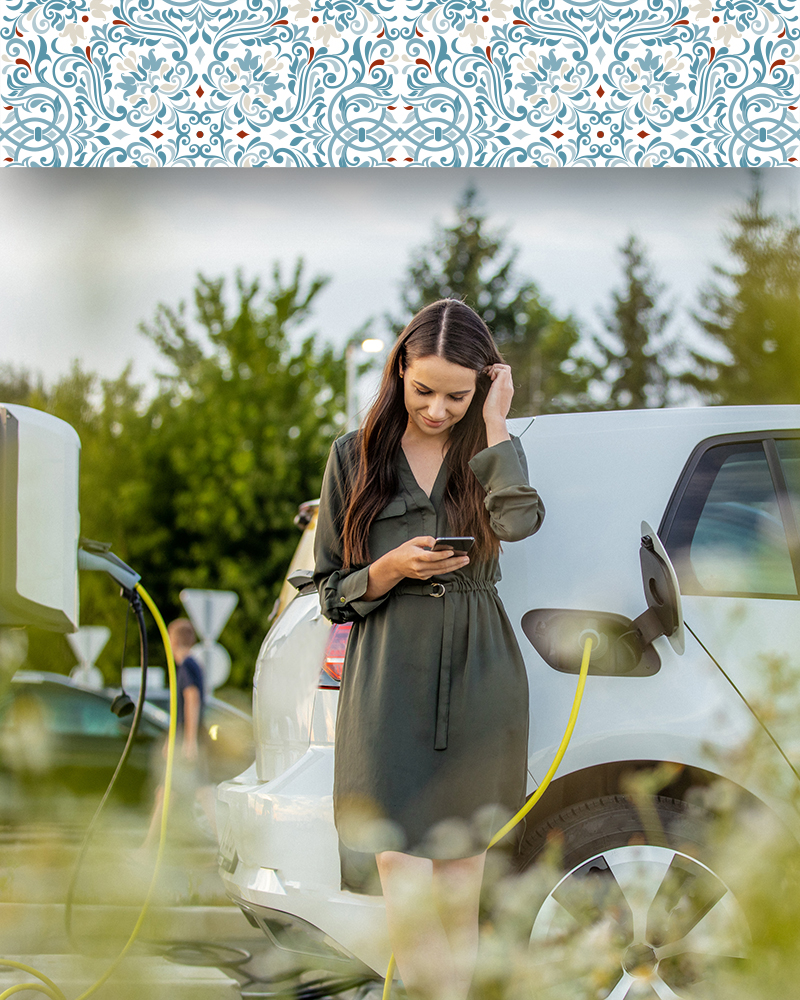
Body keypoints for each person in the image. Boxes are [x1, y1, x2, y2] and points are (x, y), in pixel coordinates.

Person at [314, 299, 545, 1000]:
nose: (438, 409)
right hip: (388, 681)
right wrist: (390, 569)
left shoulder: (488, 447)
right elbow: (330, 591)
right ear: (398, 374)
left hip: (479, 677)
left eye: (457, 395)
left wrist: (497, 423)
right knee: (408, 897)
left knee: (456, 898)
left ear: (482, 386)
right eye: (423, 391)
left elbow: (522, 521)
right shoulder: (353, 456)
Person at [139, 617, 216, 850]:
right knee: (191, 793)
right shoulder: (193, 665)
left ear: (173, 640)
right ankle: (226, 847)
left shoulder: (186, 666)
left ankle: (148, 849)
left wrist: (188, 741)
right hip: (185, 740)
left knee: (174, 792)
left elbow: (191, 699)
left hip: (187, 741)